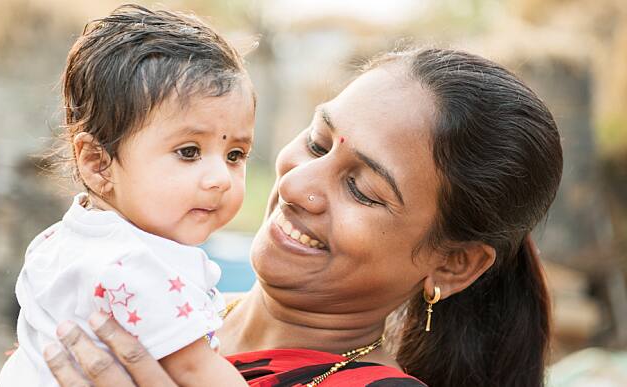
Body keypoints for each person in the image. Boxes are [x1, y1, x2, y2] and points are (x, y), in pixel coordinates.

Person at [42, 47, 562, 387]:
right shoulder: (168, 312)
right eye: (316, 143)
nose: (293, 185)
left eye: (361, 189)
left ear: (454, 264)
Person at [0, 5, 256, 387]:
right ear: (98, 164)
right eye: (188, 152)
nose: (220, 178)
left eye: (235, 155)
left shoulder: (65, 239)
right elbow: (196, 371)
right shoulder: (131, 266)